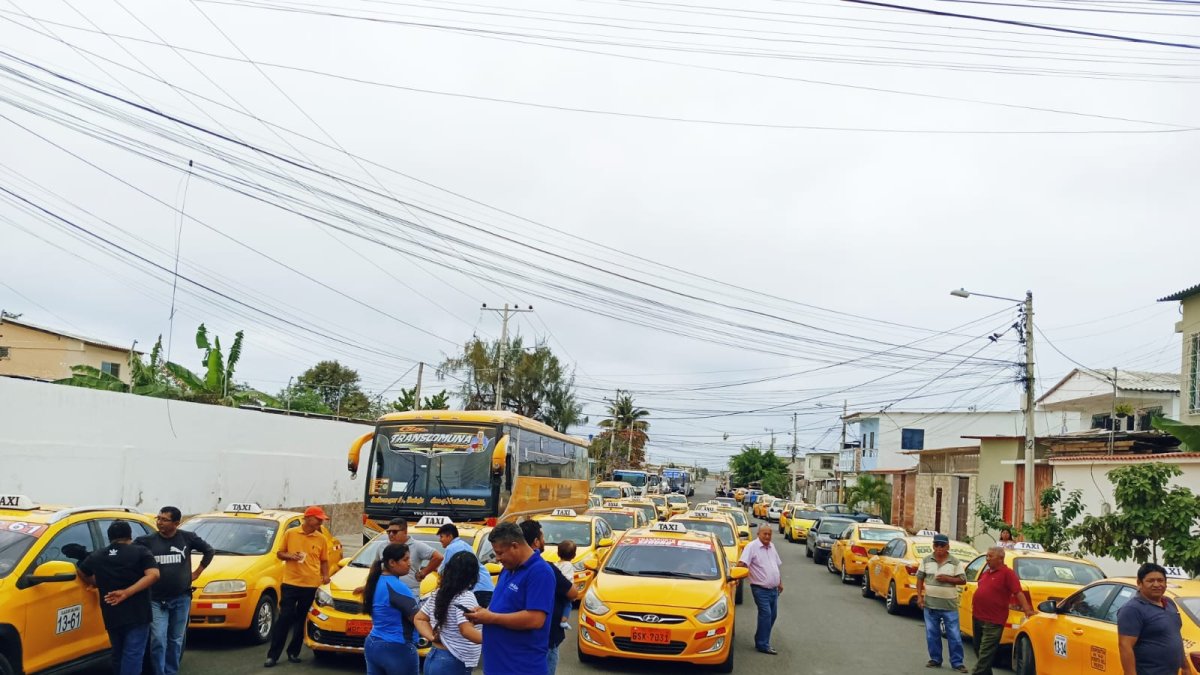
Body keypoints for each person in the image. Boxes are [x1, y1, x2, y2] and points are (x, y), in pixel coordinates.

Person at [463, 522, 555, 675]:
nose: (497, 558)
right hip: (497, 666)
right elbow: (501, 606)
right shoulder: (507, 569)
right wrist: (482, 613)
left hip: (520, 668)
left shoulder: (540, 572)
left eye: (500, 553)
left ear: (514, 546)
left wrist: (491, 618)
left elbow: (535, 619)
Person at [136, 505, 215, 675]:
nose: (159, 522)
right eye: (158, 518)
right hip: (155, 599)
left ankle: (171, 671)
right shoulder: (146, 541)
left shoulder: (187, 538)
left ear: (176, 523)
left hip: (181, 598)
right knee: (158, 639)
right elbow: (130, 556)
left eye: (164, 520)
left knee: (176, 639)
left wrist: (197, 572)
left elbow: (209, 551)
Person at [76, 521, 161, 675]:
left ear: (109, 537)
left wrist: (97, 582)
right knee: (133, 653)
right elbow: (153, 575)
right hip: (138, 612)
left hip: (111, 611)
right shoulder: (140, 551)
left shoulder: (97, 555)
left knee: (118, 652)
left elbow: (82, 572)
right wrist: (126, 592)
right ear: (130, 535)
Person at [265, 506, 333, 667]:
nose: (321, 522)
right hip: (291, 583)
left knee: (302, 620)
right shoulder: (291, 533)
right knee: (285, 617)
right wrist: (291, 556)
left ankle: (293, 652)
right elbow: (280, 553)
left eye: (322, 520)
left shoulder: (321, 538)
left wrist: (325, 576)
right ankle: (273, 655)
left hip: (311, 585)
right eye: (318, 519)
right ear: (308, 518)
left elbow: (324, 560)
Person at [517, 520, 579, 675]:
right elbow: (572, 593)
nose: (544, 541)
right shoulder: (545, 569)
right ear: (536, 542)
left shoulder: (513, 568)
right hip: (547, 638)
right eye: (543, 537)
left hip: (523, 640)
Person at [415, 551, 483, 675]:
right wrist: (492, 639)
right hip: (454, 661)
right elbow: (466, 630)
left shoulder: (438, 593)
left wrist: (432, 637)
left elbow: (419, 618)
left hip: (434, 657)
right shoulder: (465, 596)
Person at [970, 546, 1034, 675]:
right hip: (978, 617)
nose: (987, 559)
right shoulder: (986, 573)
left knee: (985, 653)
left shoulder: (1008, 574)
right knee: (978, 649)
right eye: (987, 556)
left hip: (994, 620)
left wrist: (1027, 610)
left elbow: (1018, 592)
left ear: (1000, 558)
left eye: (990, 556)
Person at [1117, 562, 1186, 675]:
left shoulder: (1169, 603)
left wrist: (1185, 666)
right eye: (1150, 581)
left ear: (1165, 583)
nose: (1156, 584)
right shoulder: (1132, 609)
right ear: (1139, 583)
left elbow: (1175, 637)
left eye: (1160, 580)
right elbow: (1125, 646)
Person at [362, 543, 420, 675]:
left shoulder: (375, 581)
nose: (409, 563)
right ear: (392, 562)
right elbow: (417, 619)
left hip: (373, 643)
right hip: (397, 647)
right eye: (405, 559)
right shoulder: (398, 587)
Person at [917, 533, 968, 672]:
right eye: (936, 545)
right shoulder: (926, 560)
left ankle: (957, 662)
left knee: (954, 635)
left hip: (949, 606)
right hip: (930, 605)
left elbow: (963, 580)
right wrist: (919, 597)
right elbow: (920, 578)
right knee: (932, 634)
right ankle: (935, 659)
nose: (939, 548)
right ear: (933, 546)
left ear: (947, 547)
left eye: (942, 545)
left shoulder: (955, 562)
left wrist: (948, 579)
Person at [736, 524, 783, 655]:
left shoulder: (772, 546)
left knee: (772, 615)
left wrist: (780, 582)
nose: (767, 536)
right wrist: (736, 578)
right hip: (760, 589)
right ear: (758, 534)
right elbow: (742, 563)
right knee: (766, 614)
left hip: (773, 590)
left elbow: (775, 566)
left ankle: (760, 639)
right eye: (765, 534)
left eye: (769, 534)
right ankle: (763, 644)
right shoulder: (751, 547)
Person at [438, 522, 496, 608]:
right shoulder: (465, 545)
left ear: (449, 536)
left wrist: (435, 569)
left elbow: (444, 571)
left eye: (441, 536)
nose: (440, 540)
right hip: (487, 589)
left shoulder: (451, 548)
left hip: (475, 591)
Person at [389, 518, 444, 594]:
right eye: (389, 532)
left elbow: (438, 557)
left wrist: (423, 572)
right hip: (389, 590)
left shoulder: (417, 545)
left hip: (410, 591)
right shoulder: (384, 546)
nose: (391, 534)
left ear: (405, 532)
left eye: (394, 532)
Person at [554, 540, 577, 631]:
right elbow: (567, 579)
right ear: (574, 555)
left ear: (558, 553)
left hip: (557, 591)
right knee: (568, 605)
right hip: (566, 591)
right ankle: (563, 621)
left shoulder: (555, 564)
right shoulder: (568, 565)